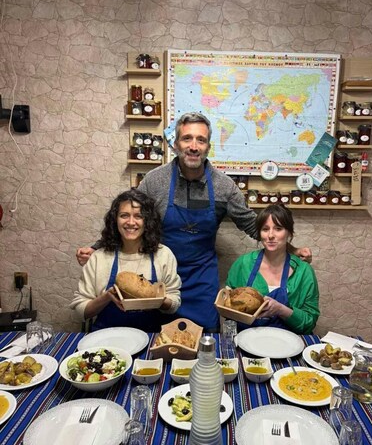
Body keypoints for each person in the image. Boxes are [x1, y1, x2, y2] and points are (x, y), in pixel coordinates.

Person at [76, 112, 311, 332]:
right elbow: (131, 218)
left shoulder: (223, 185)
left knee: (205, 335)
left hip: (201, 279)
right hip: (161, 274)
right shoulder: (155, 180)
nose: (194, 146)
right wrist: (97, 248)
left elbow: (251, 224)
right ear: (176, 144)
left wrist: (292, 249)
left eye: (201, 140)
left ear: (208, 146)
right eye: (187, 138)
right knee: (159, 335)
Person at [71, 189, 181, 331]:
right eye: (124, 215)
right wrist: (107, 297)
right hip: (106, 336)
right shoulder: (99, 258)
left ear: (147, 221)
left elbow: (174, 304)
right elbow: (81, 311)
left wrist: (156, 301)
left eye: (138, 216)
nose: (130, 222)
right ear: (115, 219)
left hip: (151, 336)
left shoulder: (163, 255)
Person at [226, 204, 319, 334]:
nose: (270, 235)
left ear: (289, 232)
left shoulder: (304, 271)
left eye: (278, 229)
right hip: (247, 339)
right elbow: (228, 310)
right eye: (265, 229)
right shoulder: (243, 264)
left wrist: (281, 310)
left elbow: (309, 323)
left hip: (289, 342)